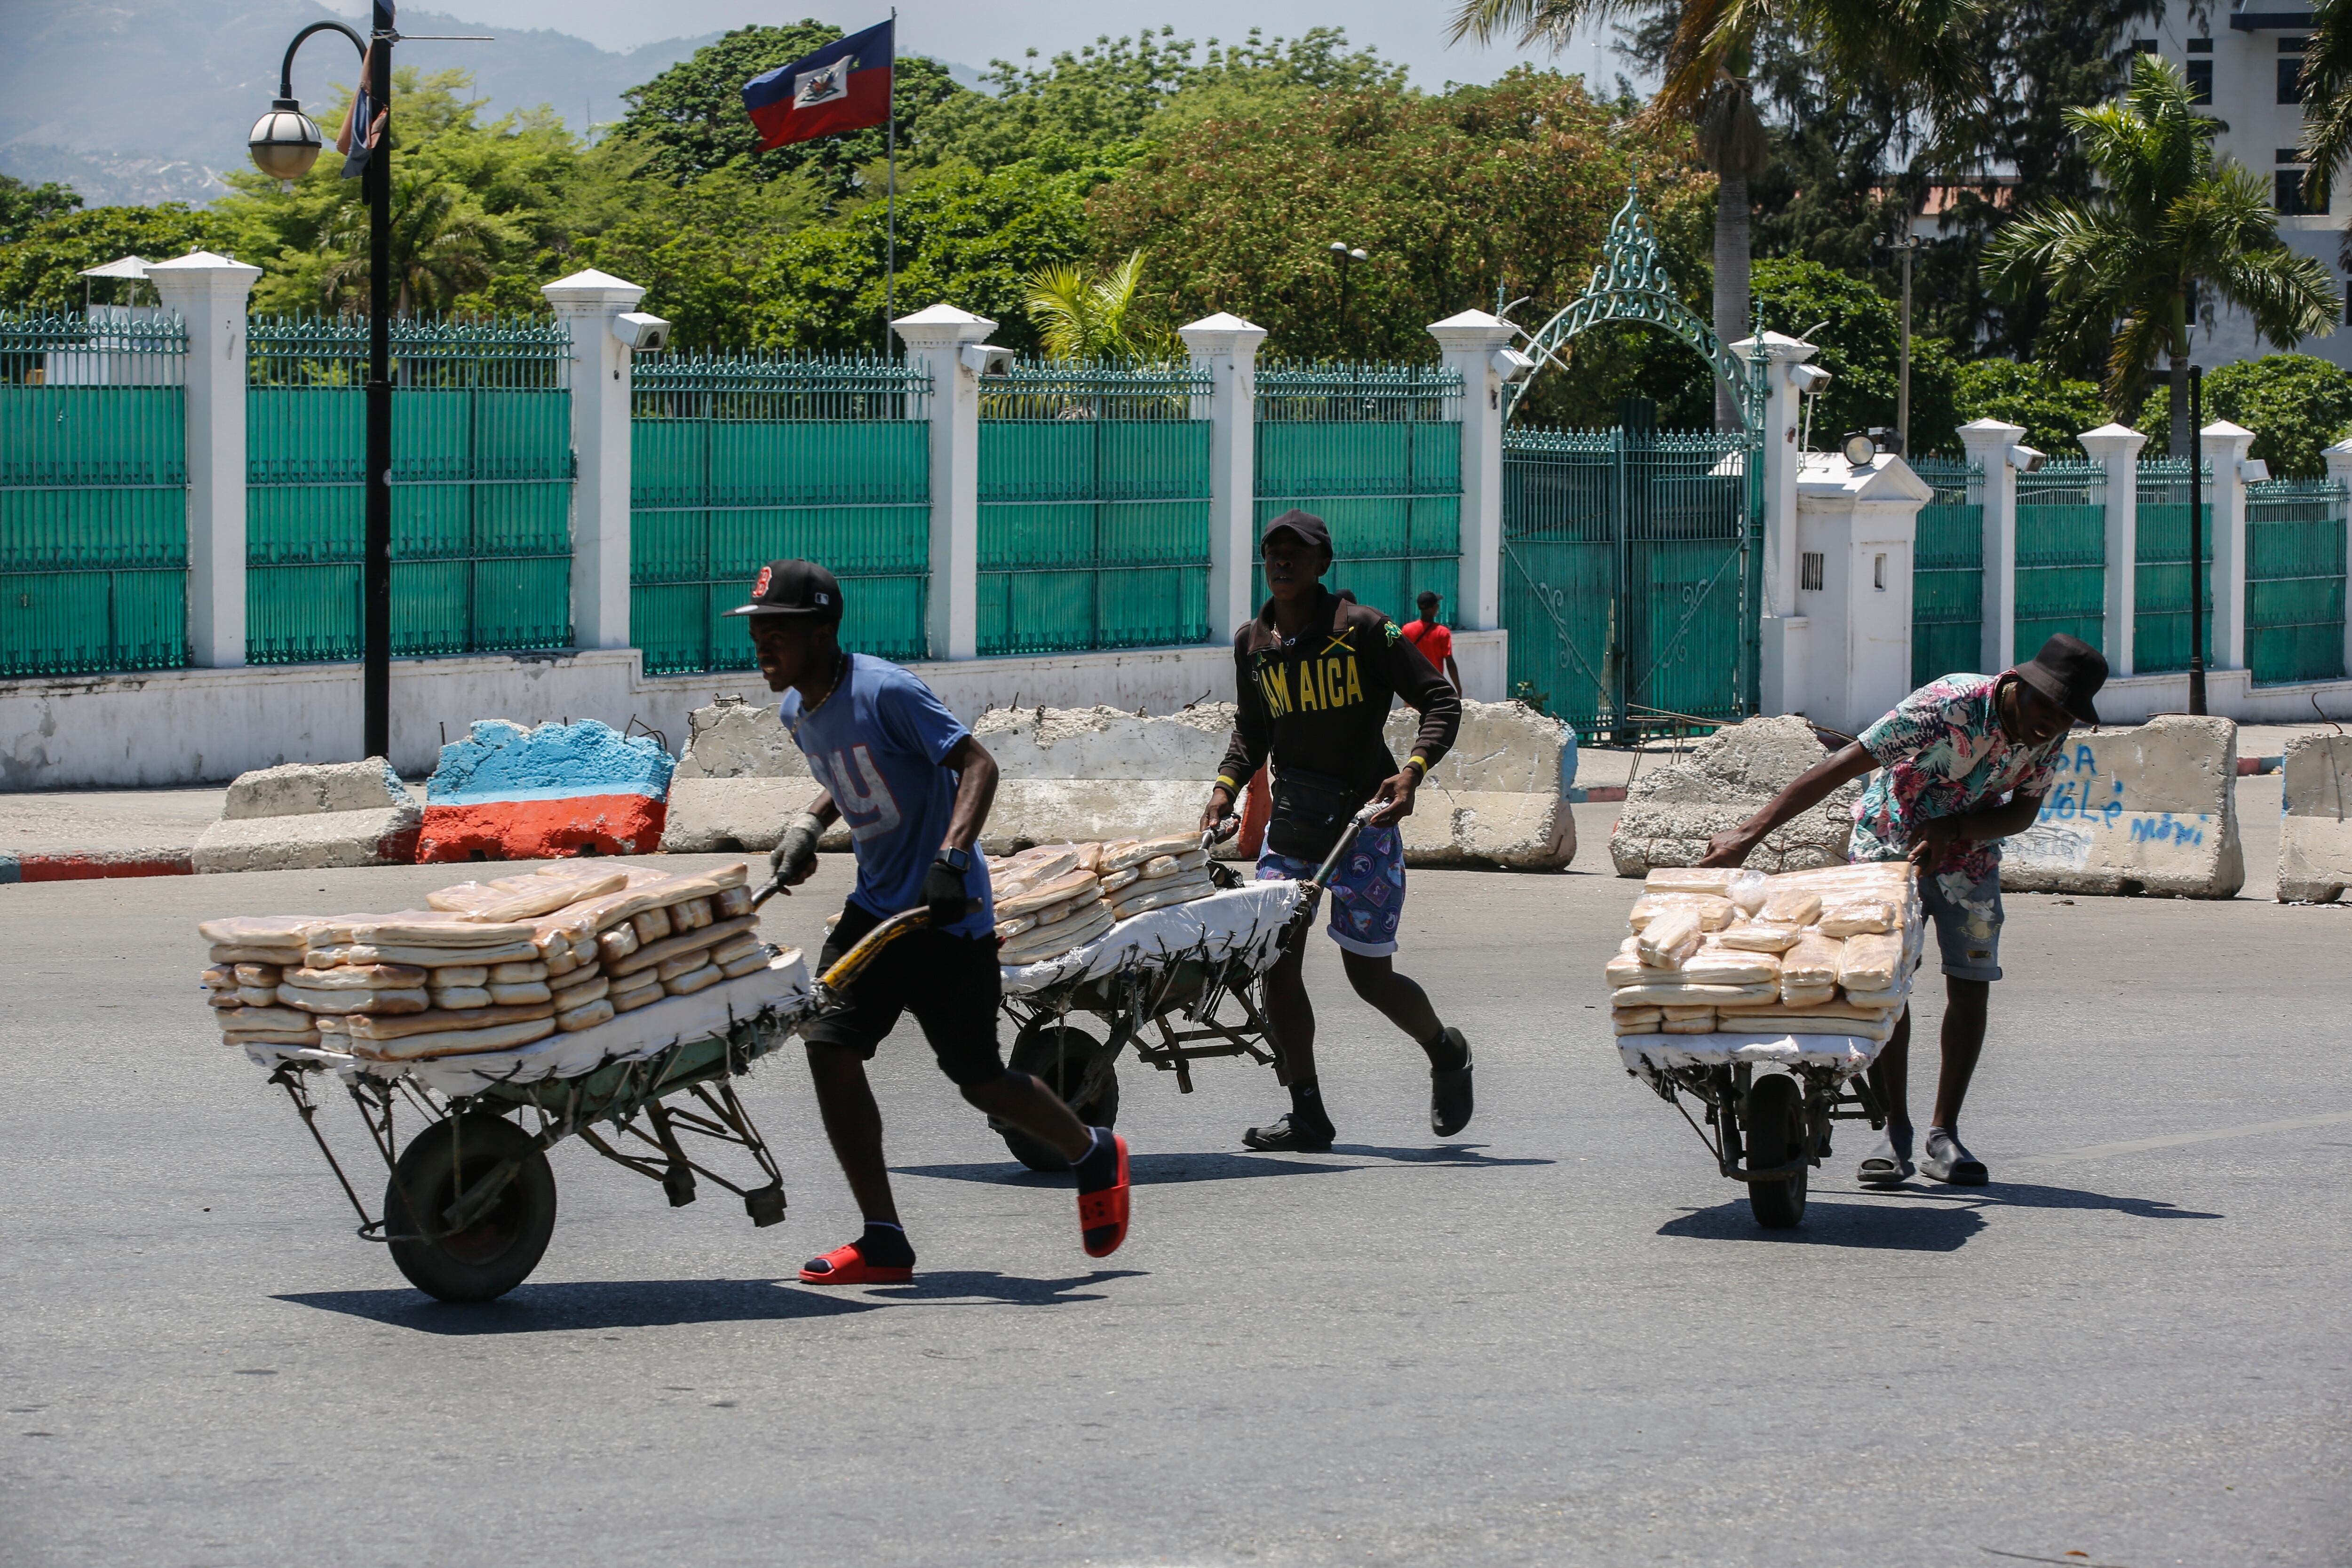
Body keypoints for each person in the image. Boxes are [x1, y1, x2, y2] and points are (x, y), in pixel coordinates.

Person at [733, 559, 1131, 1283]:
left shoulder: (885, 690)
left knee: (979, 1079)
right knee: (827, 1045)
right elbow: (848, 779)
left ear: (823, 629)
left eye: (777, 630)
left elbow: (977, 764)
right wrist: (805, 824)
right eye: (757, 629)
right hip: (877, 911)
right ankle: (883, 1238)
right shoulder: (798, 710)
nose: (762, 643)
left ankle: (1090, 1150)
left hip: (947, 917)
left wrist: (953, 856)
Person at [1696, 634, 2108, 1186]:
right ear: (2016, 684)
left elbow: (2021, 814)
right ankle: (1894, 1130)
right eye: (2045, 706)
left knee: (1970, 982)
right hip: (1889, 843)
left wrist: (1955, 828)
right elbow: (1846, 763)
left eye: (2065, 717)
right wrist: (1748, 834)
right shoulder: (1948, 704)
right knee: (1885, 983)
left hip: (1970, 859)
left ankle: (1944, 1134)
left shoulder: (2045, 736)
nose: (2049, 723)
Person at [1201, 509, 1471, 1152]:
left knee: (1369, 977)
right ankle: (1308, 1112)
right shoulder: (1253, 643)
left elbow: (1440, 700)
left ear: (1325, 564)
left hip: (1362, 823)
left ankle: (1446, 1050)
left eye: (1299, 552)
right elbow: (1253, 729)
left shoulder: (1365, 632)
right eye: (1274, 551)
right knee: (1277, 963)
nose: (1284, 561)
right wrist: (1223, 789)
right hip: (1293, 827)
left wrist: (1410, 774)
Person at [1401, 590, 1464, 692]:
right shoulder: (1442, 632)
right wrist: (1459, 689)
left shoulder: (1407, 629)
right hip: (1434, 686)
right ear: (1433, 608)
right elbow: (1450, 663)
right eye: (1437, 605)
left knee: (1411, 709)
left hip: (1412, 686)